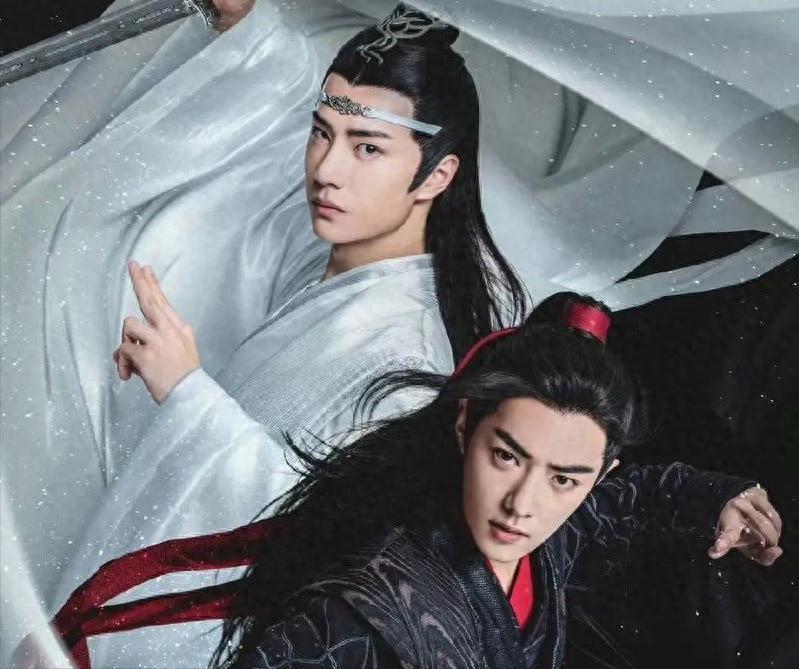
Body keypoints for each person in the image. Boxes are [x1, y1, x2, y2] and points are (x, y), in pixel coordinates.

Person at [50, 6, 528, 667]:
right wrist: (248, 29)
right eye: (321, 132)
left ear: (436, 175)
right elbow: (278, 114)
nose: (327, 169)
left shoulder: (407, 356)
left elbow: (322, 532)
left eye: (367, 148)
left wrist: (188, 393)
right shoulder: (339, 249)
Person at [210, 293, 782, 668]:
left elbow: (625, 503)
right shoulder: (353, 616)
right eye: (507, 457)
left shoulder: (549, 540)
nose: (522, 504)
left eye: (565, 479)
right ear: (465, 426)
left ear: (597, 477)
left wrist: (716, 498)